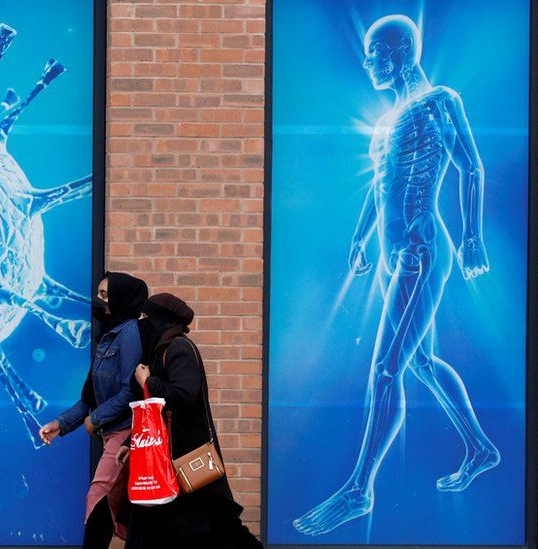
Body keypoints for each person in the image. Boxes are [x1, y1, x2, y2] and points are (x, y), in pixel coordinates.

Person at [293, 15, 498, 537]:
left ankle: (360, 489)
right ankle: (480, 446)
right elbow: (378, 184)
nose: (368, 65)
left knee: (386, 369)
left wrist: (473, 235)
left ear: (402, 52)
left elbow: (470, 166)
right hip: (393, 257)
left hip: (423, 252)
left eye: (375, 54)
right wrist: (359, 238)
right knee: (421, 362)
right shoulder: (387, 123)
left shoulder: (440, 102)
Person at [119, 293, 262, 549]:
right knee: (162, 527)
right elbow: (154, 412)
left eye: (146, 317)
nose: (141, 323)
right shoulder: (158, 350)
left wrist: (147, 382)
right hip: (163, 458)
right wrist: (132, 442)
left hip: (186, 455)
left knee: (216, 525)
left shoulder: (179, 347)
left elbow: (184, 394)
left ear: (160, 320)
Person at [39, 272, 148, 548]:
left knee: (99, 496)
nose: (99, 300)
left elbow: (130, 391)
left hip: (125, 432)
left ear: (121, 298)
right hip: (110, 432)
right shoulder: (108, 336)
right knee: (117, 507)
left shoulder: (129, 334)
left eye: (105, 294)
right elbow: (91, 397)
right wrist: (60, 424)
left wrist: (95, 419)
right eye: (99, 293)